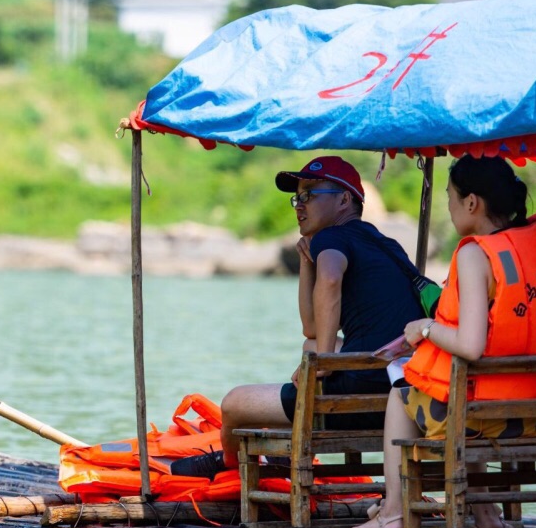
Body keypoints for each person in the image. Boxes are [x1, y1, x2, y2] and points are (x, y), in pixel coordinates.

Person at [171, 156, 425, 478]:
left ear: (345, 200)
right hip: (398, 395)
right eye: (297, 197)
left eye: (310, 195)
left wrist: (325, 361)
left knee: (233, 405)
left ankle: (228, 466)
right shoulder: (385, 244)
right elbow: (312, 327)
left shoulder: (332, 238)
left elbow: (331, 279)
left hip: (357, 398)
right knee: (311, 343)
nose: (299, 206)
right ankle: (276, 459)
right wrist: (306, 263)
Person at [350, 155, 536, 528]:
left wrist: (426, 327)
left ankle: (394, 511)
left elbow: (471, 345)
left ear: (471, 203)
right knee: (459, 392)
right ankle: (485, 515)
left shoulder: (473, 254)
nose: (448, 208)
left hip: (482, 416)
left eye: (449, 197)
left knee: (403, 392)